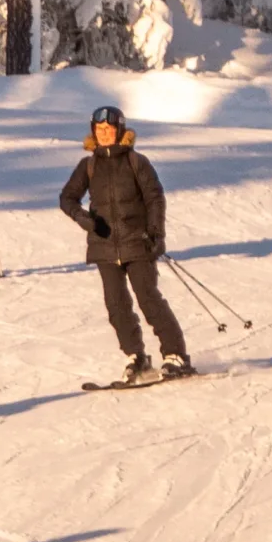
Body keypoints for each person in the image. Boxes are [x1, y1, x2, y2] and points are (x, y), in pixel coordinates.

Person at [58, 106, 191, 386]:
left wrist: (155, 233)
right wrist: (84, 219)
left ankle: (175, 355)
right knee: (116, 305)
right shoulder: (88, 166)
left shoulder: (136, 162)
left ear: (119, 131)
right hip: (104, 246)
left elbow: (154, 198)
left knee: (149, 299)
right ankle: (135, 356)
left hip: (137, 242)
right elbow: (67, 198)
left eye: (109, 130)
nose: (104, 134)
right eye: (99, 130)